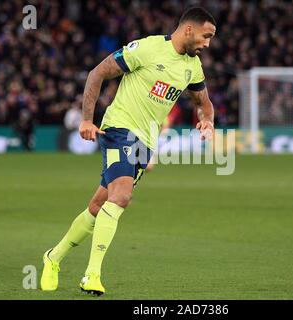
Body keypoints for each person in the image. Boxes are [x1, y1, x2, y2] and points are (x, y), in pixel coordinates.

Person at [40, 7, 216, 296]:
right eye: (205, 36)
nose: (207, 43)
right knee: (121, 196)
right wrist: (87, 119)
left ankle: (52, 258)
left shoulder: (192, 67)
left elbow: (203, 103)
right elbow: (97, 73)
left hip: (144, 143)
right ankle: (91, 275)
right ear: (188, 29)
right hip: (119, 129)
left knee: (99, 206)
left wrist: (207, 122)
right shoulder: (146, 49)